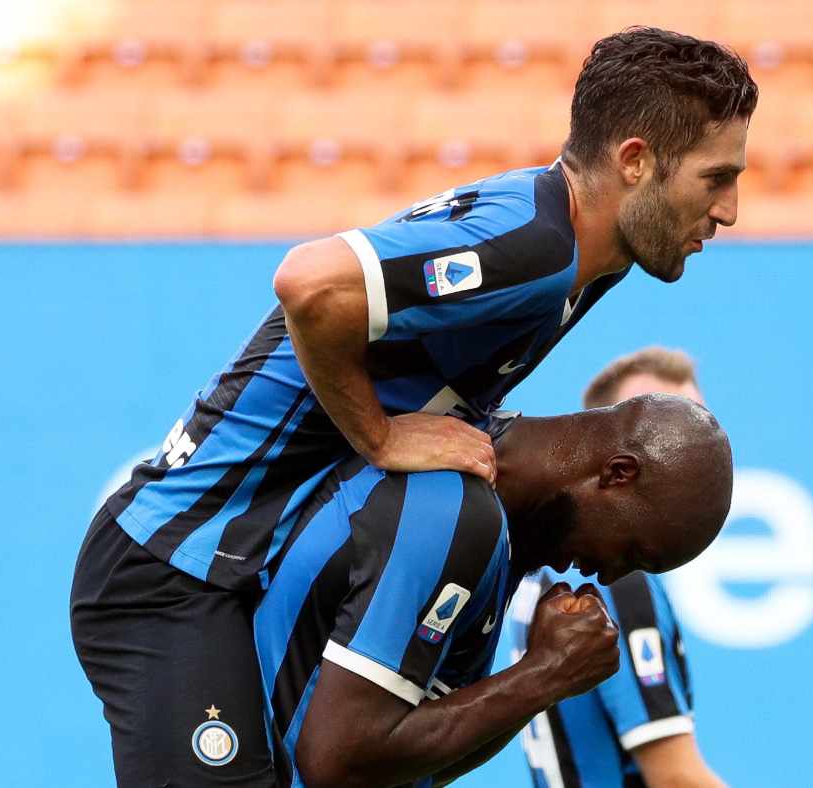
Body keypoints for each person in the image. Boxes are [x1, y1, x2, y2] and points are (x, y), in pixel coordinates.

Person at [72, 27, 758, 787]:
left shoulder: (588, 263)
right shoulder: (537, 250)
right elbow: (310, 282)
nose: (729, 209)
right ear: (635, 161)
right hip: (174, 561)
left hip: (239, 564)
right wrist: (379, 437)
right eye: (716, 177)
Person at [256, 394, 732, 787]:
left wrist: (543, 678)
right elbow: (336, 762)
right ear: (618, 473)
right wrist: (546, 674)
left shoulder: (509, 539)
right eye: (632, 552)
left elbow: (410, 767)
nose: (609, 577)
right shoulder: (458, 508)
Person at [508, 347, 726, 788]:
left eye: (701, 420)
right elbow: (675, 778)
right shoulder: (616, 583)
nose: (695, 443)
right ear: (618, 458)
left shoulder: (548, 569)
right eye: (671, 421)